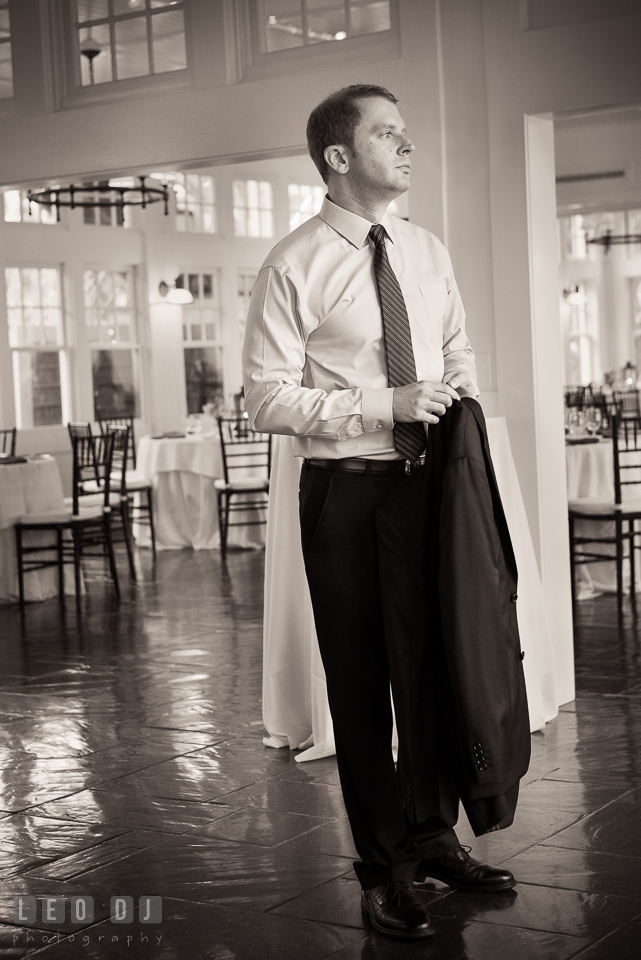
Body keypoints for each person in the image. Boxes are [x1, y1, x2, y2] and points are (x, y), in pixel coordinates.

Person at [243, 84, 516, 942]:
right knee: (361, 688)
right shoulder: (292, 264)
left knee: (435, 669)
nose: (406, 145)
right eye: (386, 134)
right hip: (347, 496)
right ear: (337, 156)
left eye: (405, 133)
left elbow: (456, 349)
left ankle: (434, 838)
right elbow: (263, 400)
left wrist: (455, 400)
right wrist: (381, 404)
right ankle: (382, 869)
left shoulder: (427, 250)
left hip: (434, 486)